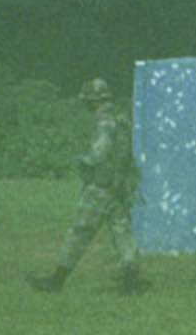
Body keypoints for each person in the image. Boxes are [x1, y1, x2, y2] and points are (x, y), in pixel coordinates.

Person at [33, 78, 143, 293]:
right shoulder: (122, 119)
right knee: (122, 232)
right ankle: (131, 283)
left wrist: (83, 161)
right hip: (119, 186)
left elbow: (99, 152)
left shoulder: (103, 122)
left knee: (80, 231)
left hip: (100, 186)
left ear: (93, 100)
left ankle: (56, 280)